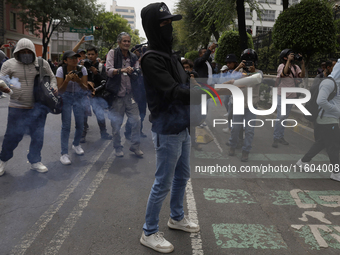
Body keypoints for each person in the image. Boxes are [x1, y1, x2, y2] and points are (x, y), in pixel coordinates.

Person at [140, 3, 201, 253]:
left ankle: (176, 217)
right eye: (164, 24)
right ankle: (149, 231)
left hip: (182, 126)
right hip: (167, 129)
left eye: (170, 23)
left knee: (182, 176)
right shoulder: (151, 59)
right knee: (162, 182)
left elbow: (187, 84)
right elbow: (175, 92)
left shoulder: (171, 56)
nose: (169, 28)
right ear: (153, 27)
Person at [0, 38, 57, 176]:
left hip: (38, 107)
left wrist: (54, 88)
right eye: (22, 51)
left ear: (32, 52)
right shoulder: (9, 64)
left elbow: (52, 77)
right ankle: (2, 160)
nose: (26, 53)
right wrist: (4, 86)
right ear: (17, 52)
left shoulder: (41, 63)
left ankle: (35, 161)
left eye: (28, 51)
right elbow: (1, 78)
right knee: (12, 137)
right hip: (17, 107)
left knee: (38, 136)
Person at [296, 60, 340, 182]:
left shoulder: (335, 82)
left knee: (322, 142)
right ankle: (336, 173)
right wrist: (336, 111)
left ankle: (303, 161)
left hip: (328, 118)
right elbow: (320, 101)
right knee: (334, 145)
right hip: (327, 119)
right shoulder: (329, 83)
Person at [106, 32, 143, 157]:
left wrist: (135, 70)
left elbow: (138, 70)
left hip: (130, 96)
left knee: (137, 121)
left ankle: (135, 146)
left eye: (128, 41)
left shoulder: (133, 57)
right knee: (116, 124)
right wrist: (122, 70)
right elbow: (108, 71)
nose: (127, 43)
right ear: (119, 42)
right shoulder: (112, 53)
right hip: (117, 96)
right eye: (124, 41)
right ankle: (117, 147)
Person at [227, 49, 263, 162]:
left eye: (250, 61)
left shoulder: (259, 73)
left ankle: (245, 151)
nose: (248, 63)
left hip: (251, 106)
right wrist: (238, 67)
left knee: (249, 130)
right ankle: (232, 146)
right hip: (238, 105)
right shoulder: (239, 73)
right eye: (246, 61)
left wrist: (252, 72)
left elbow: (257, 80)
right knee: (235, 128)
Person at [56, 50, 88, 165]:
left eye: (76, 58)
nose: (75, 60)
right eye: (71, 58)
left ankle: (76, 144)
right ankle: (64, 154)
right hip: (66, 98)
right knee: (66, 126)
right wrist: (67, 80)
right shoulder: (61, 70)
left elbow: (85, 88)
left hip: (79, 97)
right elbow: (60, 91)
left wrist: (79, 81)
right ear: (65, 61)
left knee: (80, 124)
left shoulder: (82, 69)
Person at [272, 49, 305, 148]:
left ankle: (280, 136)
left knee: (285, 117)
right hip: (281, 95)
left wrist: (302, 64)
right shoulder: (281, 66)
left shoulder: (296, 67)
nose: (292, 56)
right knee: (280, 117)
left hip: (291, 95)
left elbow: (302, 76)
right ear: (285, 57)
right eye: (290, 55)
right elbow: (284, 73)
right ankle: (276, 137)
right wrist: (288, 62)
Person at [80, 46, 112, 142]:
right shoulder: (83, 66)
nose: (90, 56)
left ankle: (104, 133)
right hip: (85, 94)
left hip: (97, 94)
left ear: (96, 55)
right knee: (83, 116)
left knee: (100, 114)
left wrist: (96, 73)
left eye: (92, 54)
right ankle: (82, 135)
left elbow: (104, 81)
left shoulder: (101, 66)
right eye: (88, 54)